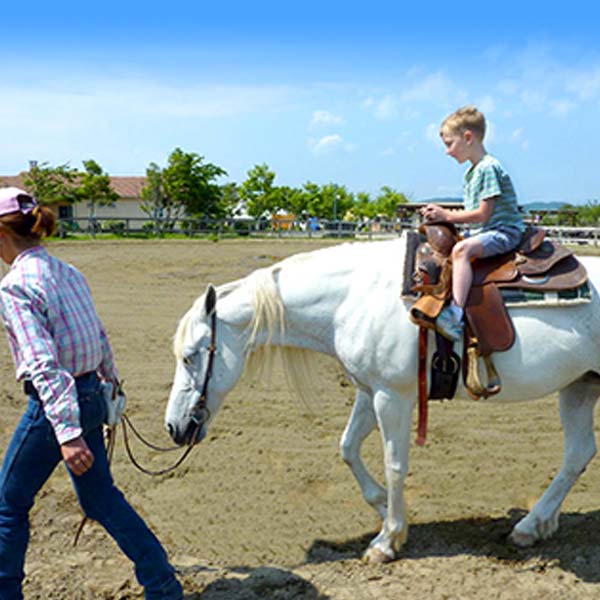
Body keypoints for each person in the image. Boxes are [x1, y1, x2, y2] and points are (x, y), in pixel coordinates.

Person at [0, 187, 183, 600]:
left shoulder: (15, 288)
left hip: (55, 409)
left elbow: (44, 365)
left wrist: (67, 434)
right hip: (89, 395)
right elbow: (98, 337)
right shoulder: (68, 272)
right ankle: (163, 584)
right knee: (101, 499)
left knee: (8, 504)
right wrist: (109, 385)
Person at [421, 106, 525, 341]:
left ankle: (455, 316)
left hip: (503, 231)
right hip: (487, 230)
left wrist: (446, 215)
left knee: (461, 250)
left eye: (450, 144)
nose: (448, 152)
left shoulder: (487, 168)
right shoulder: (472, 172)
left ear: (468, 137)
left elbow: (482, 214)